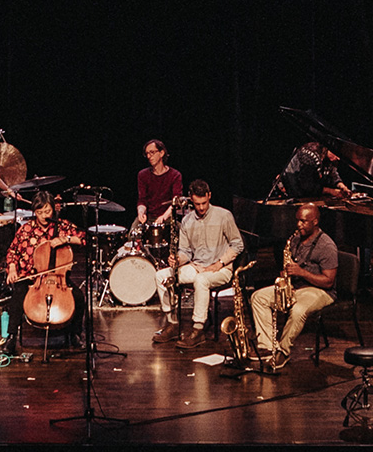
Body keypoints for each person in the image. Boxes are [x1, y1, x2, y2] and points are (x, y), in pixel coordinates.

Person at [153, 179, 244, 347]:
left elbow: (238, 244)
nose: (201, 208)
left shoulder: (224, 216)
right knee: (161, 275)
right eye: (197, 204)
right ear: (191, 199)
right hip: (197, 266)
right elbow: (185, 252)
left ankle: (198, 329)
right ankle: (172, 323)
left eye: (204, 203)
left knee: (201, 281)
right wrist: (178, 260)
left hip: (220, 268)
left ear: (209, 196)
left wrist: (219, 263)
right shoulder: (187, 221)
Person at [250, 203, 337, 370]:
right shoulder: (295, 239)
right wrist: (287, 272)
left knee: (297, 310)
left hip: (320, 291)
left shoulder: (327, 246)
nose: (299, 225)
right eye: (298, 220)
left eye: (304, 222)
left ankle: (283, 351)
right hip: (297, 286)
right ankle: (268, 347)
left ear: (315, 222)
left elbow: (328, 281)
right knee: (258, 297)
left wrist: (301, 272)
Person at [2, 191, 86, 355]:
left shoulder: (62, 226)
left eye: (47, 211)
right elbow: (12, 251)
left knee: (79, 297)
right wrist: (12, 269)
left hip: (59, 277)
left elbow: (83, 239)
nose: (43, 216)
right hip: (32, 276)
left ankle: (75, 334)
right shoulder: (26, 229)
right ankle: (11, 338)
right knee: (18, 295)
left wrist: (65, 239)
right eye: (39, 212)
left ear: (53, 210)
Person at [268, 142, 352, 200]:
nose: (338, 158)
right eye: (337, 155)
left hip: (306, 194)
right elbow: (306, 184)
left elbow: (333, 173)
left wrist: (342, 186)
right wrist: (331, 191)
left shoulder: (329, 158)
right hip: (292, 192)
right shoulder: (310, 155)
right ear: (328, 149)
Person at [132, 139, 183, 236]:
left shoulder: (175, 175)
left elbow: (176, 201)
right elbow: (142, 200)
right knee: (132, 235)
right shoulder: (143, 175)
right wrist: (141, 213)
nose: (148, 156)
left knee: (184, 236)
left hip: (168, 218)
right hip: (149, 217)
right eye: (147, 153)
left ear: (161, 153)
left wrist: (164, 217)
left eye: (152, 152)